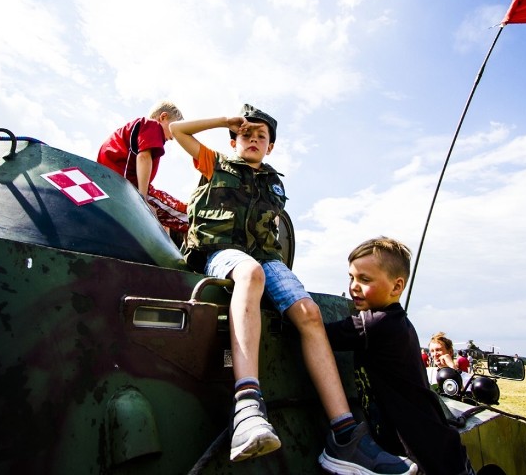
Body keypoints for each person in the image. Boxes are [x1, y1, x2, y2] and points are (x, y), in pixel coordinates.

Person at [170, 105, 412, 474]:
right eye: (246, 134)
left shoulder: (272, 183)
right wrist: (224, 121)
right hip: (220, 253)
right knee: (250, 274)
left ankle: (345, 435)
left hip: (266, 258)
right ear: (234, 140)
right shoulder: (213, 163)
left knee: (309, 312)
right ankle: (248, 407)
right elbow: (176, 129)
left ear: (270, 147)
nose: (253, 139)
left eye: (261, 136)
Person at [324, 237, 474, 475]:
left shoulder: (377, 325)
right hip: (436, 442)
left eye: (364, 279)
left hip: (422, 448)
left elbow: (319, 332)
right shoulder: (398, 322)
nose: (354, 286)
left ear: (396, 287)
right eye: (351, 277)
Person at [97, 101, 188, 234]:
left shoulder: (130, 130)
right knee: (185, 214)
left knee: (165, 217)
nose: (174, 137)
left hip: (112, 181)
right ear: (163, 117)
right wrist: (142, 199)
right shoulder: (152, 125)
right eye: (174, 129)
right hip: (127, 186)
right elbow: (143, 157)